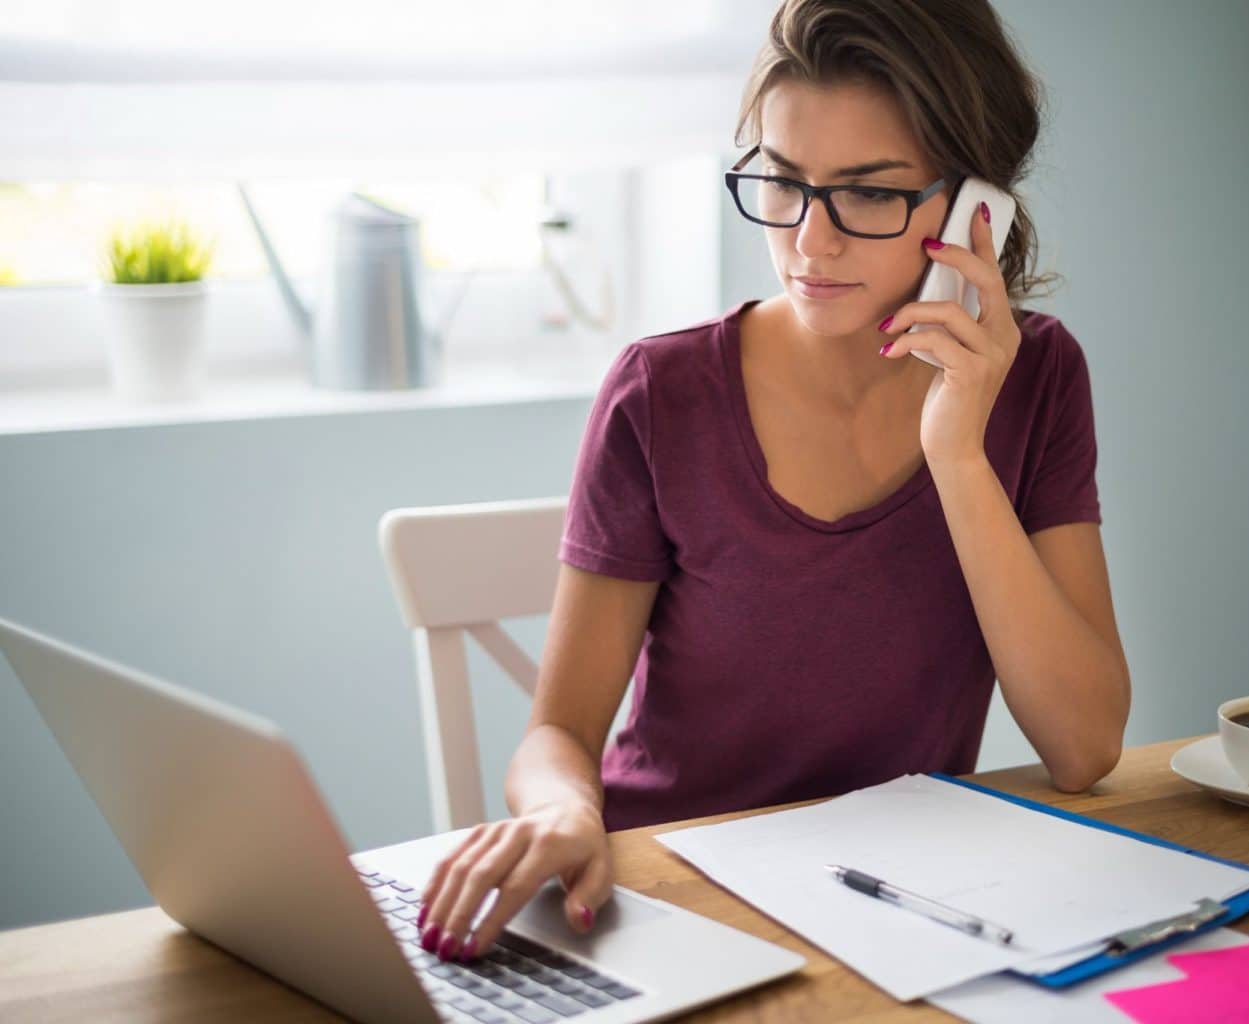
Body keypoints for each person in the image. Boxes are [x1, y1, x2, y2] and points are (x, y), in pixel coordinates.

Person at [414, 0, 1132, 965]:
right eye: (782, 183)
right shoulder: (658, 393)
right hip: (665, 892)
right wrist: (563, 814)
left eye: (869, 195)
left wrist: (958, 454)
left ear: (977, 211)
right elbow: (557, 733)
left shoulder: (1035, 378)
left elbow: (1083, 749)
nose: (809, 241)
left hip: (895, 909)